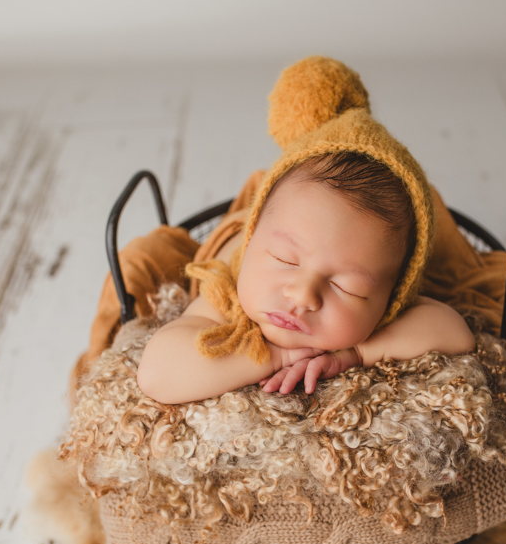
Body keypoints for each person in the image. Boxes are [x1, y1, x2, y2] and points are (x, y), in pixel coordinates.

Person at [137, 150, 476, 404]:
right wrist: (275, 356)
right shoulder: (230, 292)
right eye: (285, 260)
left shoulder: (384, 303)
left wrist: (355, 354)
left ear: (390, 300)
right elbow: (157, 374)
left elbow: (456, 333)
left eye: (347, 287)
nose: (302, 295)